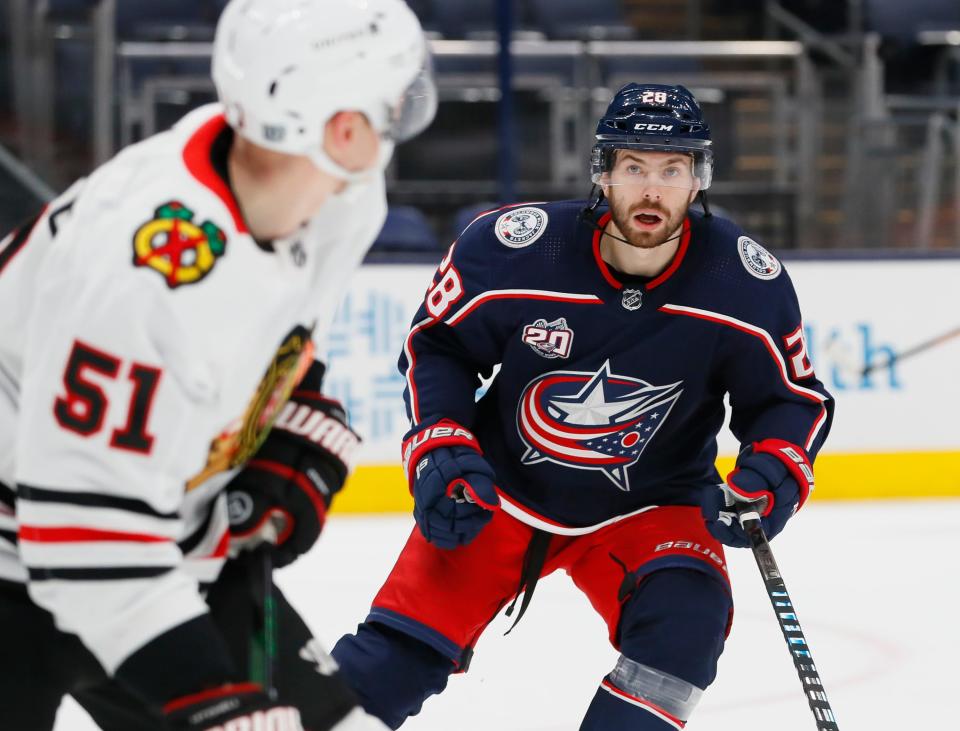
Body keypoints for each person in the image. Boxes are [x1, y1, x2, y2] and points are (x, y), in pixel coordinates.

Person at [331, 83, 835, 730]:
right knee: (389, 663)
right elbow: (439, 348)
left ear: (698, 179)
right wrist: (442, 447)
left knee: (685, 632)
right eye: (633, 168)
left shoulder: (740, 282)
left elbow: (790, 401)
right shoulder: (514, 249)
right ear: (602, 172)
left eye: (672, 170)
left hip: (654, 506)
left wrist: (770, 477)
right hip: (500, 492)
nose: (652, 190)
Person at [0, 1, 436, 729]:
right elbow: (79, 525)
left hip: (152, 540)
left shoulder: (337, 198)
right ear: (342, 128)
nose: (398, 122)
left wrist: (294, 425)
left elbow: (277, 341)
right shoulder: (141, 279)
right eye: (390, 103)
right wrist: (212, 697)